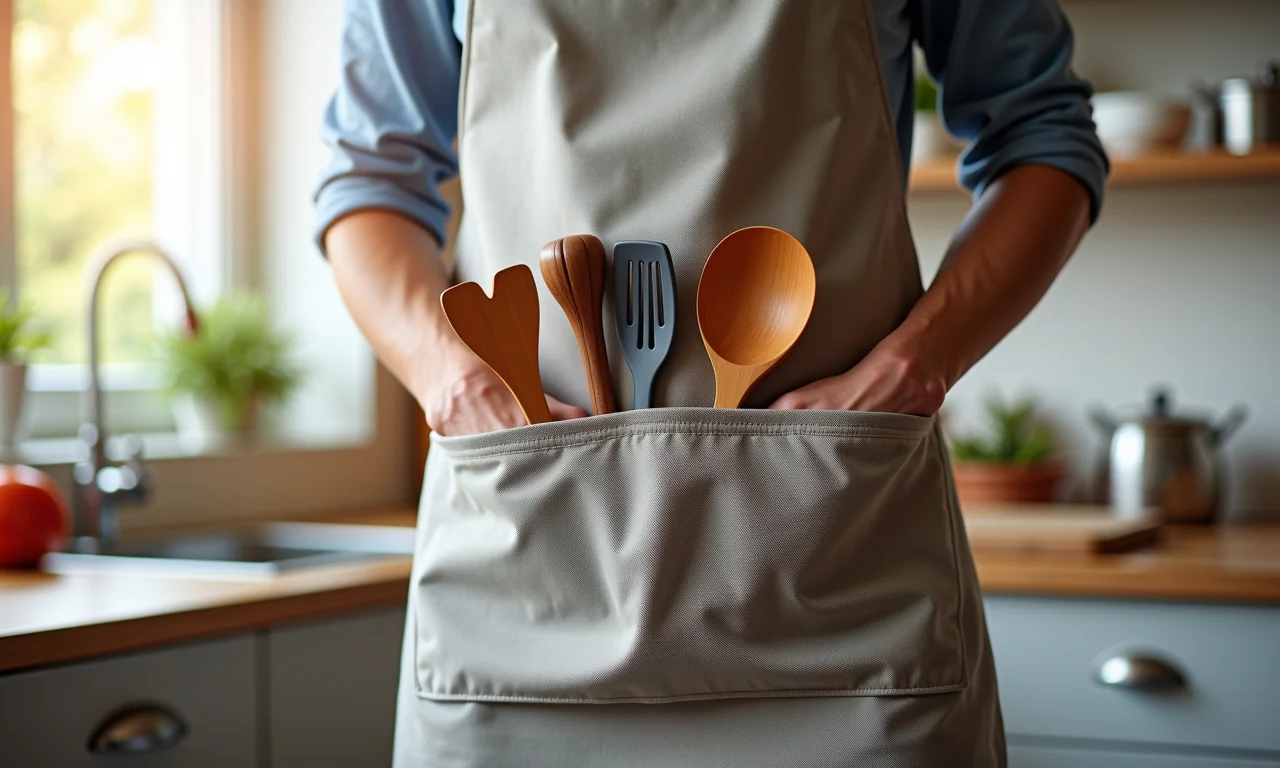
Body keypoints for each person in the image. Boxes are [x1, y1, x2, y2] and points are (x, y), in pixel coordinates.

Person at [315, 1, 1108, 766]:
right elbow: (370, 182)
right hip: (531, 555)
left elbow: (1043, 136)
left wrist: (918, 362)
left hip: (834, 558)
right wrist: (448, 374)